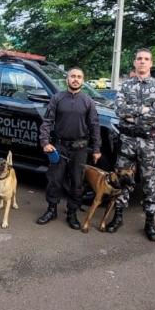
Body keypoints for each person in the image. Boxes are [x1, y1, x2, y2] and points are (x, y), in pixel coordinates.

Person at [107, 48, 155, 241]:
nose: (142, 62)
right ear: (134, 62)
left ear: (152, 63)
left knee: (149, 181)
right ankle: (117, 217)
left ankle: (150, 223)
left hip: (148, 142)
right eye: (139, 58)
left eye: (146, 59)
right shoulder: (125, 86)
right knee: (122, 179)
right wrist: (143, 109)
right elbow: (118, 109)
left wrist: (133, 114)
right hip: (127, 140)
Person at [38, 67, 102, 229]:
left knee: (77, 182)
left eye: (79, 77)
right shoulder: (57, 98)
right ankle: (51, 210)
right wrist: (45, 142)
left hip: (80, 149)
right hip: (59, 147)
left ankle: (72, 213)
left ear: (83, 80)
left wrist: (96, 149)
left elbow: (94, 126)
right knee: (54, 180)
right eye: (72, 76)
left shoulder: (88, 101)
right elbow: (47, 122)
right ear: (67, 79)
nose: (75, 79)